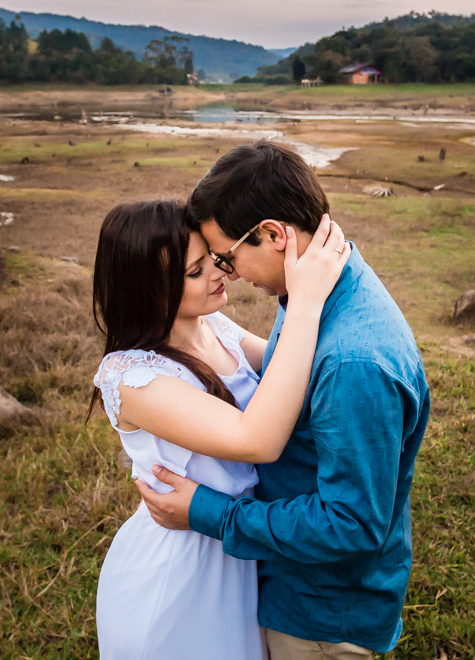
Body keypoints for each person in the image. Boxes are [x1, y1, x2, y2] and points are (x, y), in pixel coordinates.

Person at [137, 141, 432, 660]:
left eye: (226, 257)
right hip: (291, 585)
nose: (227, 273)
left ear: (274, 235)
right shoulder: (312, 295)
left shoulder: (351, 361)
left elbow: (351, 523)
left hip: (320, 613)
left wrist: (210, 513)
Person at [91, 199, 349, 660]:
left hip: (238, 545)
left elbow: (288, 373)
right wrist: (304, 303)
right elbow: (258, 439)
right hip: (182, 574)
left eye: (210, 257)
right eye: (195, 272)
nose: (220, 271)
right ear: (149, 290)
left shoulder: (213, 325)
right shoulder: (132, 376)